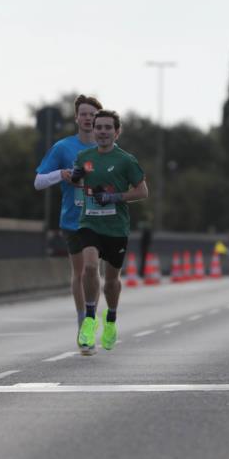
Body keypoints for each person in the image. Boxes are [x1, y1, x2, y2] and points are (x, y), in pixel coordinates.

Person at [73, 110, 148, 354]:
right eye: (99, 127)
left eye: (108, 128)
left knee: (112, 281)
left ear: (116, 132)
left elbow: (142, 191)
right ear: (93, 130)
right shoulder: (84, 157)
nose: (103, 132)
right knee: (90, 267)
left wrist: (114, 197)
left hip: (116, 227)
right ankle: (89, 318)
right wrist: (76, 177)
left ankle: (111, 320)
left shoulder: (126, 160)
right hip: (89, 222)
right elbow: (79, 179)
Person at [34, 94, 103, 336]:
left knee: (93, 268)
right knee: (80, 272)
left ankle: (91, 316)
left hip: (100, 220)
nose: (88, 118)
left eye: (92, 115)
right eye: (83, 114)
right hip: (72, 219)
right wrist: (61, 174)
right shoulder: (63, 147)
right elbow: (38, 182)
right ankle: (82, 319)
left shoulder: (107, 149)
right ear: (76, 118)